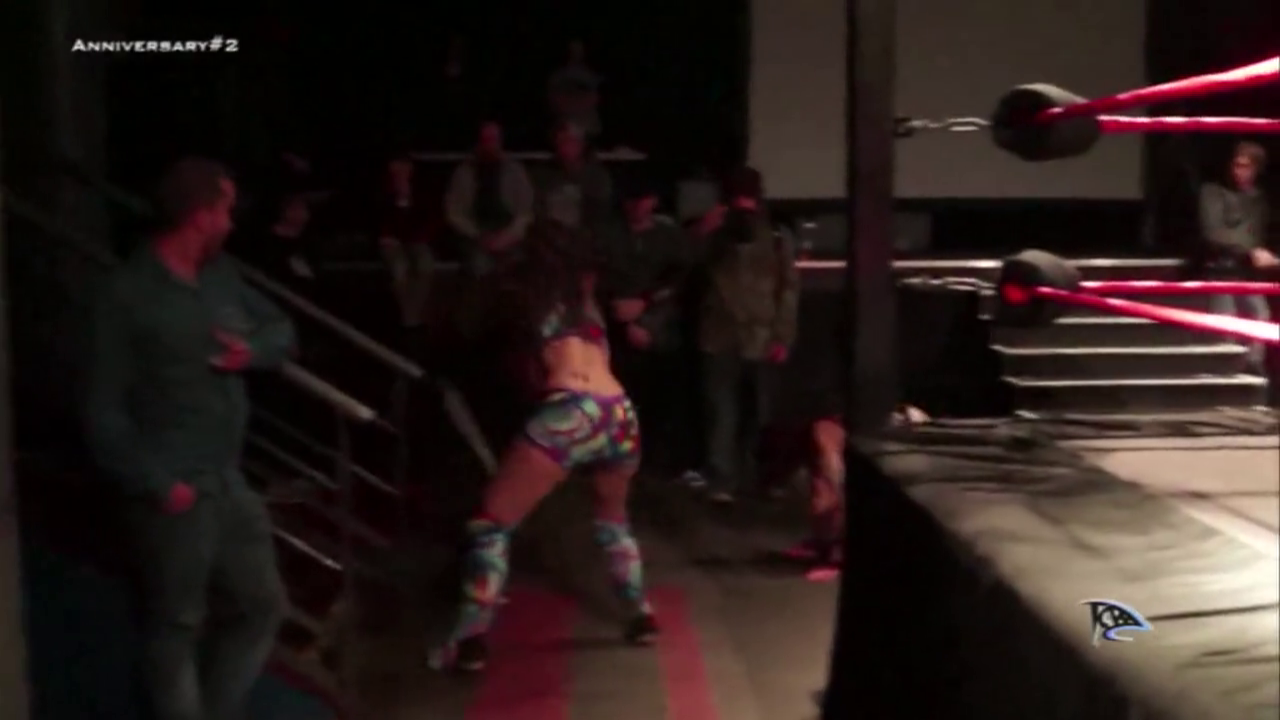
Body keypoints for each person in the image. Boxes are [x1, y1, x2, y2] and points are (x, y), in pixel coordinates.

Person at [84, 158, 295, 720]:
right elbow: (103, 411)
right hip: (175, 485)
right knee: (178, 623)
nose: (232, 222)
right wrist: (159, 484)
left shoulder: (219, 274)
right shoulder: (128, 293)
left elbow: (282, 329)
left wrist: (251, 353)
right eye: (226, 210)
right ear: (201, 216)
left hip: (227, 477)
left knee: (263, 606)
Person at [428, 223, 657, 673]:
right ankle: (641, 615)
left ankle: (469, 640)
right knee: (613, 521)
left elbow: (472, 328)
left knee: (490, 524)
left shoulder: (527, 294)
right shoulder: (585, 303)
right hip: (619, 410)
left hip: (572, 410)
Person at [696, 167, 799, 504]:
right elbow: (688, 268)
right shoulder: (714, 232)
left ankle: (757, 477)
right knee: (721, 410)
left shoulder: (777, 236)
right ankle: (722, 478)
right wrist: (702, 233)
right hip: (719, 332)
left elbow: (788, 289)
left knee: (759, 412)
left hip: (760, 334)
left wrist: (782, 336)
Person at [603, 180, 699, 473]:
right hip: (617, 331)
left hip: (659, 333)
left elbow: (680, 281)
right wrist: (621, 314)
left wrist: (646, 310)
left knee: (660, 402)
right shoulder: (607, 235)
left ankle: (656, 463)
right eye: (631, 200)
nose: (637, 206)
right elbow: (598, 278)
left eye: (643, 199)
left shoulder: (669, 238)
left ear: (654, 201)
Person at [1199, 140, 1272, 372]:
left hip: (1246, 271)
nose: (1239, 171)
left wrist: (1263, 254)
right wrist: (1249, 249)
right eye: (1236, 165)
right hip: (1220, 268)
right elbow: (1213, 232)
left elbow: (1254, 235)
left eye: (1246, 166)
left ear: (1256, 169)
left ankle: (1251, 367)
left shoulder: (1258, 200)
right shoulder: (1213, 192)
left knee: (1260, 315)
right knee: (1227, 323)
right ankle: (1226, 373)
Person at [443, 121, 535, 276]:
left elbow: (526, 211)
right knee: (479, 265)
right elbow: (453, 212)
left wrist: (507, 236)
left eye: (493, 139)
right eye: (486, 139)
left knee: (518, 263)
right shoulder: (463, 172)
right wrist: (477, 235)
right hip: (474, 234)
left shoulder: (515, 171)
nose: (490, 144)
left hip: (508, 232)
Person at [378, 153, 438, 330]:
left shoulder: (422, 189)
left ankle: (414, 315)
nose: (401, 170)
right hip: (390, 241)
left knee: (426, 265)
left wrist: (421, 236)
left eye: (405, 165)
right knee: (399, 268)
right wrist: (386, 236)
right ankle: (409, 319)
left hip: (416, 239)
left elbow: (430, 218)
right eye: (396, 164)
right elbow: (378, 218)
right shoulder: (381, 189)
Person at [535, 123, 614, 240]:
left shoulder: (597, 177)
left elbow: (600, 214)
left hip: (584, 238)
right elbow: (537, 207)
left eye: (569, 140)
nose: (564, 146)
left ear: (581, 144)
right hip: (550, 237)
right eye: (560, 141)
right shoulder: (544, 174)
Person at [548, 39, 602, 140]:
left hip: (587, 127)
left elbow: (594, 98)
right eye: (573, 50)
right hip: (564, 128)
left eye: (578, 50)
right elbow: (554, 100)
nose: (576, 53)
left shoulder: (590, 76)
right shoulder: (558, 77)